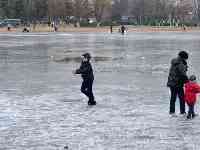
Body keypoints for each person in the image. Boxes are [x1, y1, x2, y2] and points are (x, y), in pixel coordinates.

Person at [167, 51, 189, 115]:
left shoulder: (174, 61)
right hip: (178, 83)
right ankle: (182, 112)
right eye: (185, 58)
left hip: (172, 82)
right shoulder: (180, 64)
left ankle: (172, 112)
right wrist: (188, 82)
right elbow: (183, 74)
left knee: (173, 98)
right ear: (183, 57)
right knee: (181, 98)